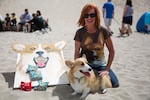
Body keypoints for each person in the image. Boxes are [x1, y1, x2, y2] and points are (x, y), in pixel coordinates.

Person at [74, 3, 119, 88]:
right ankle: (94, 76)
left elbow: (112, 51)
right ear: (83, 17)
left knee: (115, 83)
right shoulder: (79, 33)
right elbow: (76, 53)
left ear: (96, 16)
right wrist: (78, 68)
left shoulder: (104, 31)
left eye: (92, 15)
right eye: (86, 15)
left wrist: (107, 69)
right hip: (85, 66)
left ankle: (95, 75)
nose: (89, 18)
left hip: (100, 66)